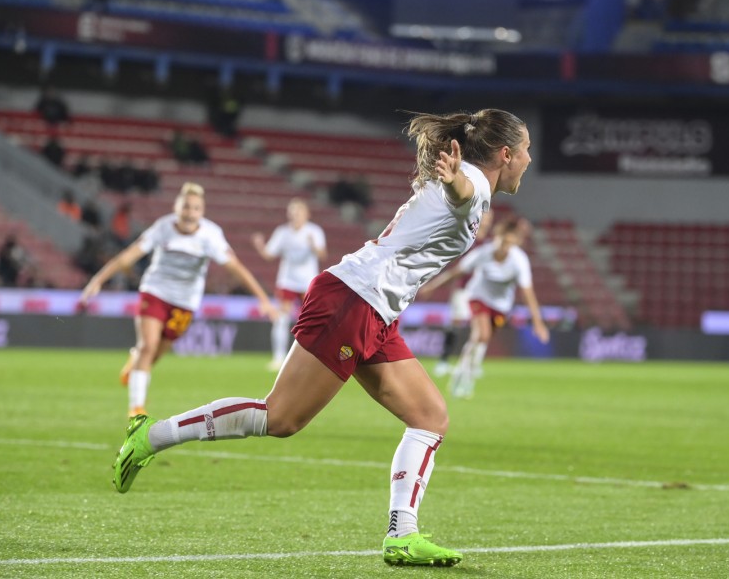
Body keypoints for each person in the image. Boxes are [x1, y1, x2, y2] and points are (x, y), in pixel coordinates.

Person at [109, 109, 533, 567]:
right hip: (353, 299)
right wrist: (454, 183)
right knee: (281, 417)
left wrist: (454, 184)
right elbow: (463, 196)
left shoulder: (472, 183)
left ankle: (401, 535)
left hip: (374, 308)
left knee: (430, 416)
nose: (529, 159)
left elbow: (459, 199)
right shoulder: (472, 182)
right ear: (505, 154)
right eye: (526, 149)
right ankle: (151, 436)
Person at [79, 182, 278, 418]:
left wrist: (263, 299)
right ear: (177, 208)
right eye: (186, 207)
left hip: (185, 302)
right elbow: (128, 256)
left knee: (157, 352)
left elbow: (236, 268)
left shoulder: (211, 235)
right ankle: (136, 408)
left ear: (201, 212)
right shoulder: (162, 228)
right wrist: (98, 280)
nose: (189, 213)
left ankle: (135, 363)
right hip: (155, 291)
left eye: (195, 208)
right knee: (148, 346)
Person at [423, 217, 549, 398]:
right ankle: (464, 377)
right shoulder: (483, 253)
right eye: (502, 241)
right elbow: (455, 272)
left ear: (517, 243)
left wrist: (538, 323)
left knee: (483, 339)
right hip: (478, 297)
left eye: (510, 243)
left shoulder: (520, 261)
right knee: (481, 334)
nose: (504, 246)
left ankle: (464, 370)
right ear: (496, 237)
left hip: (500, 306)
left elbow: (528, 294)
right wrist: (432, 287)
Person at [251, 198, 327, 371]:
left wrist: (313, 246)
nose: (295, 215)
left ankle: (313, 358)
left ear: (306, 214)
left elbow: (322, 254)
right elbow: (269, 255)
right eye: (292, 212)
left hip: (308, 281)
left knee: (310, 320)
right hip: (287, 280)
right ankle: (278, 358)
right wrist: (260, 246)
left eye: (298, 212)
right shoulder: (283, 232)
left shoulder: (314, 231)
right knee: (282, 318)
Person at [432, 209, 494, 377]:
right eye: (486, 216)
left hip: (481, 292)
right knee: (456, 323)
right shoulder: (468, 237)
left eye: (490, 218)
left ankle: (473, 365)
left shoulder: (490, 244)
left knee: (480, 328)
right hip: (463, 289)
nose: (487, 220)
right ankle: (443, 362)